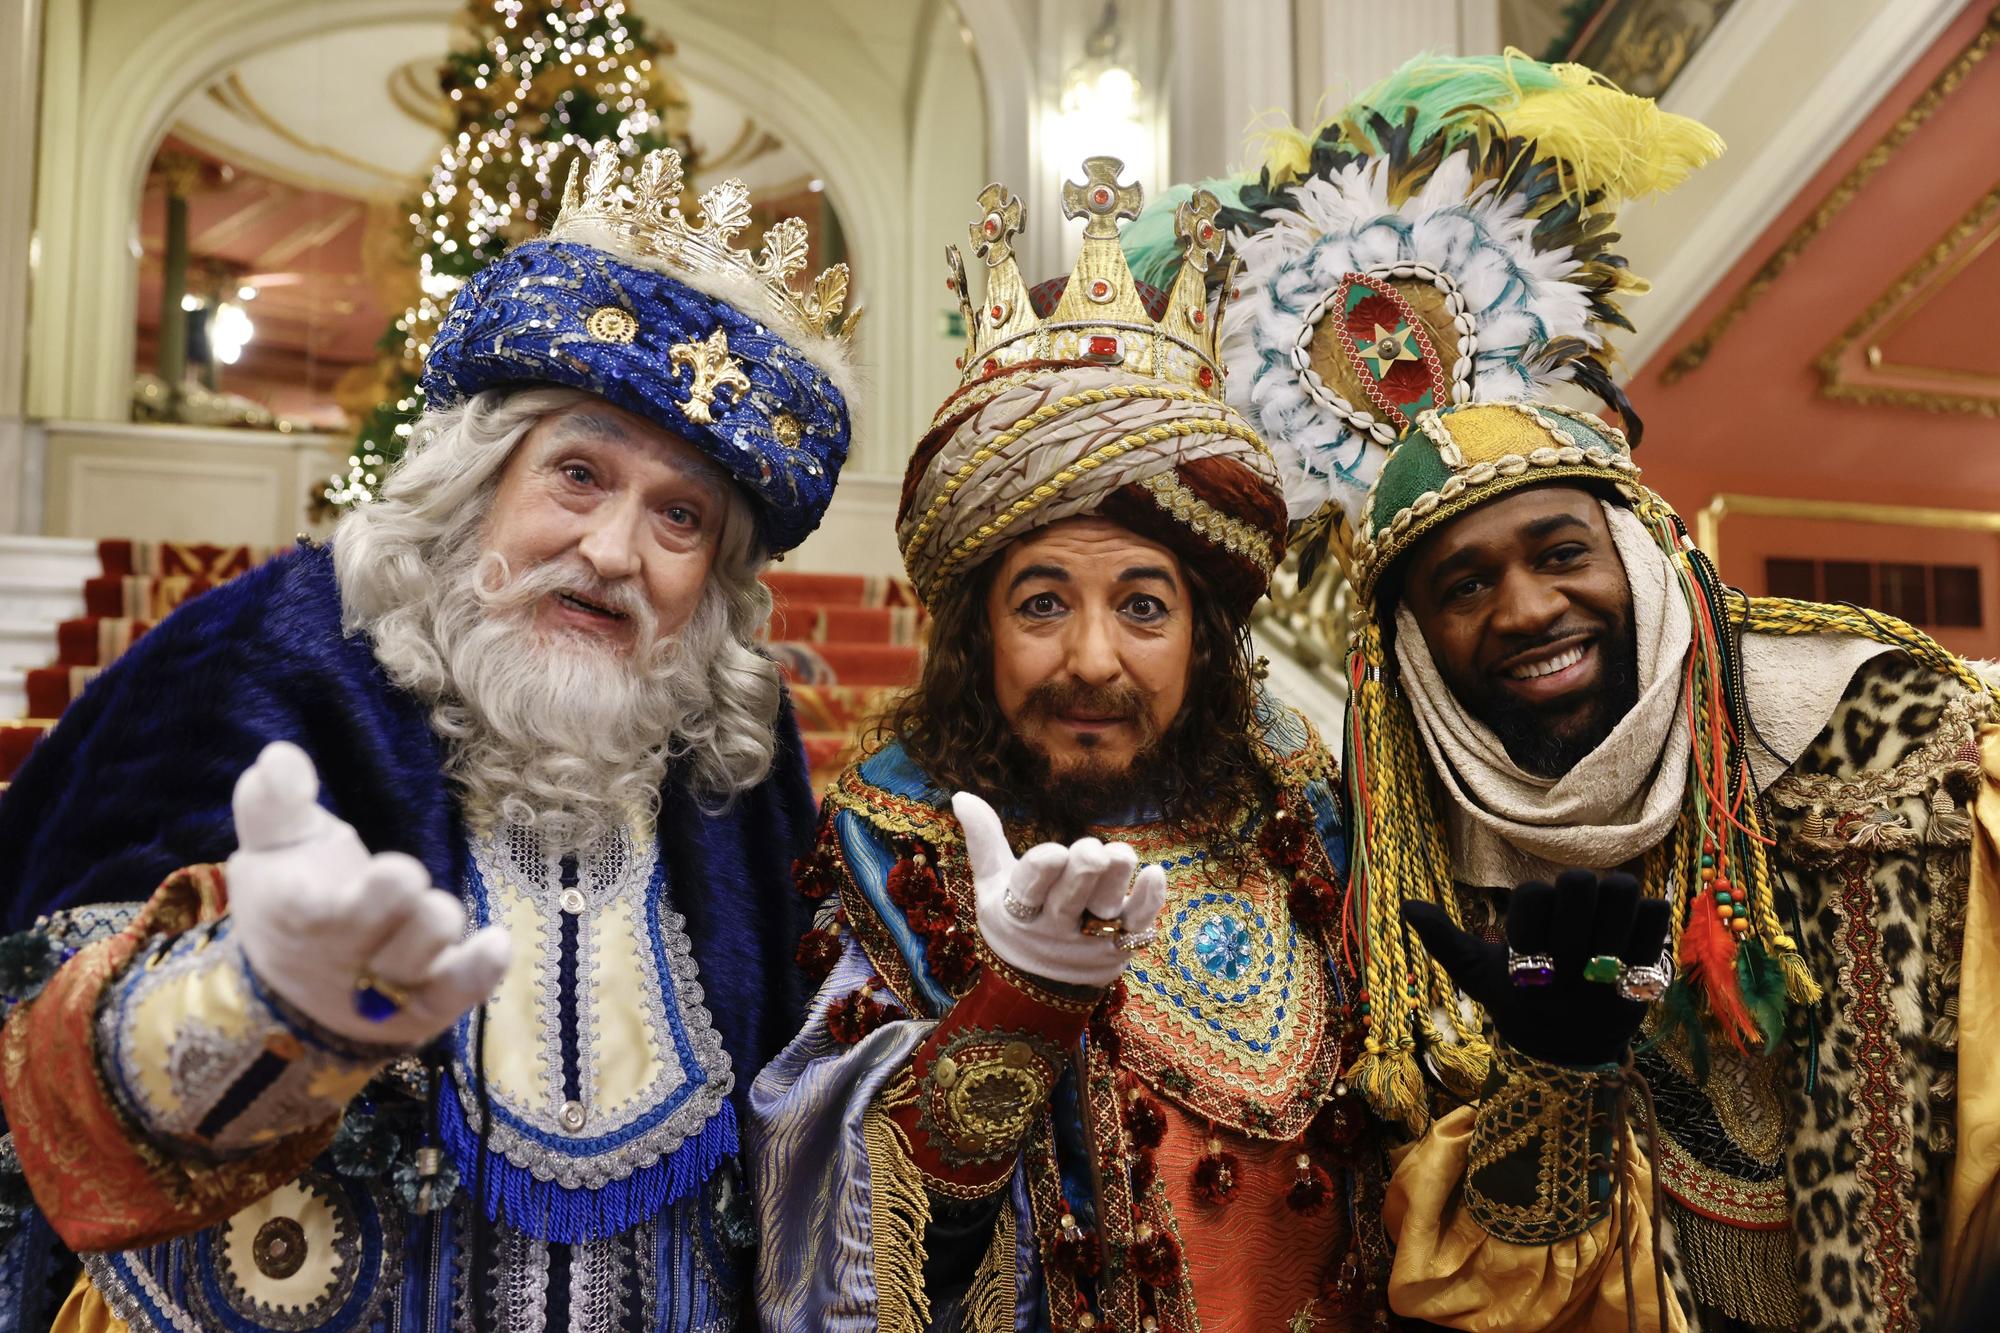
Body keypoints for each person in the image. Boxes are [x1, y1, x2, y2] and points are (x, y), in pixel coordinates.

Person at [1170, 50, 2000, 1332]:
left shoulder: (1875, 727)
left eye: (1561, 552)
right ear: (1409, 646)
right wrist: (1553, 1090)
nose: (1525, 610)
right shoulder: (1413, 868)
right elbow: (1473, 1290)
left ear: (1644, 555)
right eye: (1461, 586)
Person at [0, 139, 857, 1332]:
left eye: (679, 516)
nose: (613, 552)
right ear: (475, 480)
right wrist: (249, 1003)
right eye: (576, 473)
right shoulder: (262, 660)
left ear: (715, 577)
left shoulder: (732, 768)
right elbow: (43, 1073)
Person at [748, 160, 1405, 1332]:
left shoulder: (1307, 806)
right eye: (1041, 603)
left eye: (1143, 606)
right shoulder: (895, 844)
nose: (1093, 660)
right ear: (975, 635)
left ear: (1204, 633)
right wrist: (1016, 1009)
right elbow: (848, 1236)